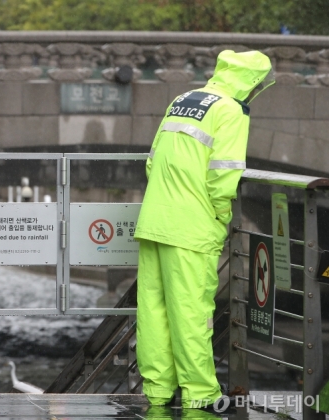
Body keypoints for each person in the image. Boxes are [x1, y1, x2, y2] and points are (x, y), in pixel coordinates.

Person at [134, 50, 274, 410]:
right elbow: (223, 176)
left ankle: (158, 391)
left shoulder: (184, 99)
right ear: (252, 83)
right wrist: (219, 217)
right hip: (191, 227)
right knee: (192, 311)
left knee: (154, 310)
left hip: (154, 219)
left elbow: (152, 161)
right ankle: (200, 394)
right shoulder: (231, 110)